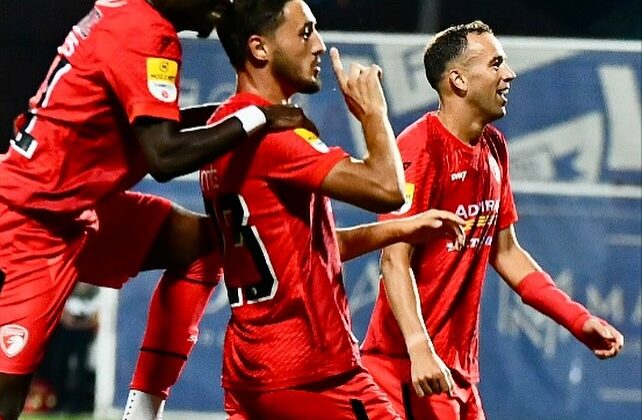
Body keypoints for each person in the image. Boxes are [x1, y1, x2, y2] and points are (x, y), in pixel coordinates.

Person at [0, 0, 316, 419]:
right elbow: (164, 156)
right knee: (6, 393)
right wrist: (259, 119)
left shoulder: (125, 13)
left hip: (74, 208)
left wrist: (239, 114)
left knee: (205, 244)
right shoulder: (149, 33)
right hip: (33, 223)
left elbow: (151, 124)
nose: (221, 4)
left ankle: (141, 413)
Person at [199, 1, 467, 418]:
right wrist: (373, 113)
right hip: (313, 372)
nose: (320, 45)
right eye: (305, 32)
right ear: (259, 48)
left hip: (252, 369)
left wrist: (400, 229)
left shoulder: (224, 126)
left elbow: (305, 252)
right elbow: (388, 189)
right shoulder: (275, 136)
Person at [360, 20, 625, 420]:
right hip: (411, 371)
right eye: (496, 63)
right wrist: (418, 348)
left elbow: (506, 252)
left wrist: (577, 319)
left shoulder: (494, 148)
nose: (510, 74)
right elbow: (394, 261)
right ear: (459, 81)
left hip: (457, 372)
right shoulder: (420, 149)